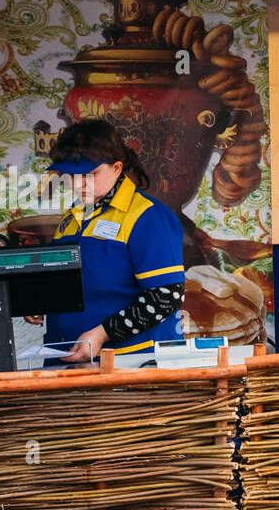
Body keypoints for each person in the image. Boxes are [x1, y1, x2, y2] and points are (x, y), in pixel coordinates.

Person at [27, 120, 186, 362]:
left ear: (117, 168)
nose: (79, 184)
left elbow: (166, 296)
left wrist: (103, 334)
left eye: (90, 175)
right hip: (67, 359)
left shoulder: (148, 216)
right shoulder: (75, 214)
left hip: (131, 365)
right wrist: (43, 300)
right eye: (71, 175)